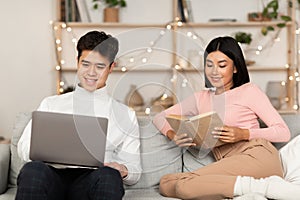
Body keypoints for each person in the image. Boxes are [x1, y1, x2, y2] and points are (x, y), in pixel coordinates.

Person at [153, 36, 291, 199]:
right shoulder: (200, 98)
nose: (214, 72)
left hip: (257, 155)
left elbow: (283, 132)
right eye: (209, 65)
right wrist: (173, 135)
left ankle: (263, 187)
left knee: (184, 187)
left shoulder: (249, 92)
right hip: (230, 163)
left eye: (222, 65)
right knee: (166, 183)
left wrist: (244, 134)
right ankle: (254, 189)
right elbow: (160, 117)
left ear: (235, 68)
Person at [16, 30, 141, 200]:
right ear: (77, 62)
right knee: (32, 170)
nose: (91, 73)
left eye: (99, 66)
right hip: (53, 177)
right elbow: (23, 147)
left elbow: (135, 170)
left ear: (112, 67)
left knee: (109, 176)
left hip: (93, 181)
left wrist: (122, 169)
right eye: (85, 64)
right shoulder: (51, 104)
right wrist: (44, 149)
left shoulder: (125, 114)